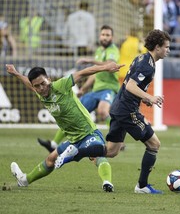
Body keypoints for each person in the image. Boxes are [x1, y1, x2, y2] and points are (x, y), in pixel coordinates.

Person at [57, 29, 171, 194]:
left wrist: (144, 98)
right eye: (166, 47)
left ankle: (76, 152)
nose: (168, 50)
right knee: (154, 144)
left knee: (111, 151)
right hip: (127, 111)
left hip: (119, 107)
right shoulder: (147, 65)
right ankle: (142, 186)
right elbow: (131, 85)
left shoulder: (142, 58)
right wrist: (150, 97)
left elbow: (129, 85)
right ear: (158, 47)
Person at [7, 62, 124, 192]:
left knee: (96, 155)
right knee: (51, 159)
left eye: (43, 83)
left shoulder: (61, 85)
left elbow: (83, 72)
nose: (42, 88)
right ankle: (24, 180)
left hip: (88, 132)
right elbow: (28, 83)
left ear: (49, 80)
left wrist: (105, 68)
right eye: (37, 86)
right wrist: (16, 73)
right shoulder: (39, 92)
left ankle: (107, 183)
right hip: (73, 138)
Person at [37, 25, 121, 188]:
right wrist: (83, 89)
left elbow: (109, 64)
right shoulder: (98, 50)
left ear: (112, 37)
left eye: (107, 35)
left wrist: (90, 60)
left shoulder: (113, 50)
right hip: (95, 90)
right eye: (102, 34)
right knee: (70, 113)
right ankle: (54, 144)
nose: (104, 37)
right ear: (99, 36)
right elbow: (96, 75)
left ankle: (114, 140)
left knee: (104, 112)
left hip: (108, 89)